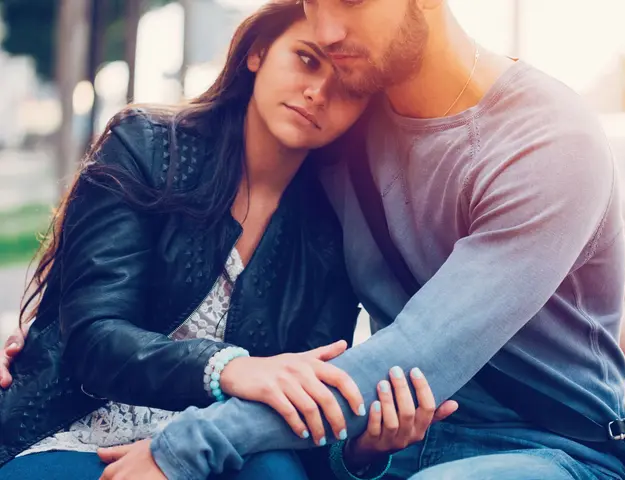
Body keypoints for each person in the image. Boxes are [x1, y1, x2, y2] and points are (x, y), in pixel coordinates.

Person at [64, 0, 625, 479]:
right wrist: (48, 330)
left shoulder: (547, 138)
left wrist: (186, 448)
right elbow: (185, 220)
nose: (329, 29)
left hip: (552, 448)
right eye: (316, 0)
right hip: (394, 442)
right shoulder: (344, 123)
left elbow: (419, 349)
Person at [0, 3, 457, 479]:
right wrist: (231, 368)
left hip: (225, 444)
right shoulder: (148, 146)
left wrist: (365, 450)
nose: (318, 92)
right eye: (306, 59)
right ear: (258, 53)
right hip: (76, 429)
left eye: (347, 85)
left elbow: (308, 412)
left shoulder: (335, 226)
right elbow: (93, 340)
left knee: (278, 471)